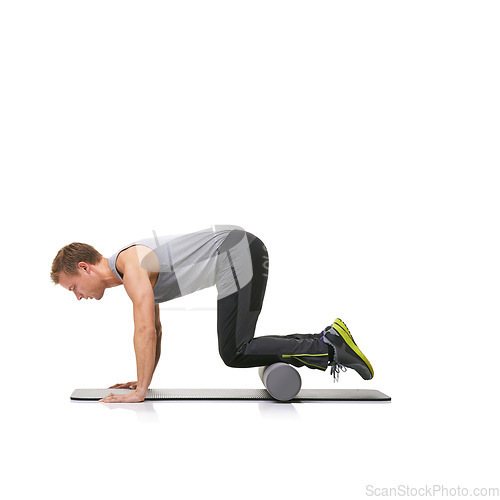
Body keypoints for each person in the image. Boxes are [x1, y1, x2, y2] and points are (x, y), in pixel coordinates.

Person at [50, 225, 374, 403]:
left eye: (73, 287)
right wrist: (143, 381)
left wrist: (139, 394)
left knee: (234, 352)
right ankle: (329, 345)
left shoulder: (130, 265)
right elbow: (157, 331)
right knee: (236, 350)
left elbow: (145, 330)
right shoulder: (133, 275)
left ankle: (328, 345)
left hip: (237, 252)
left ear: (85, 267)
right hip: (241, 252)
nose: (78, 296)